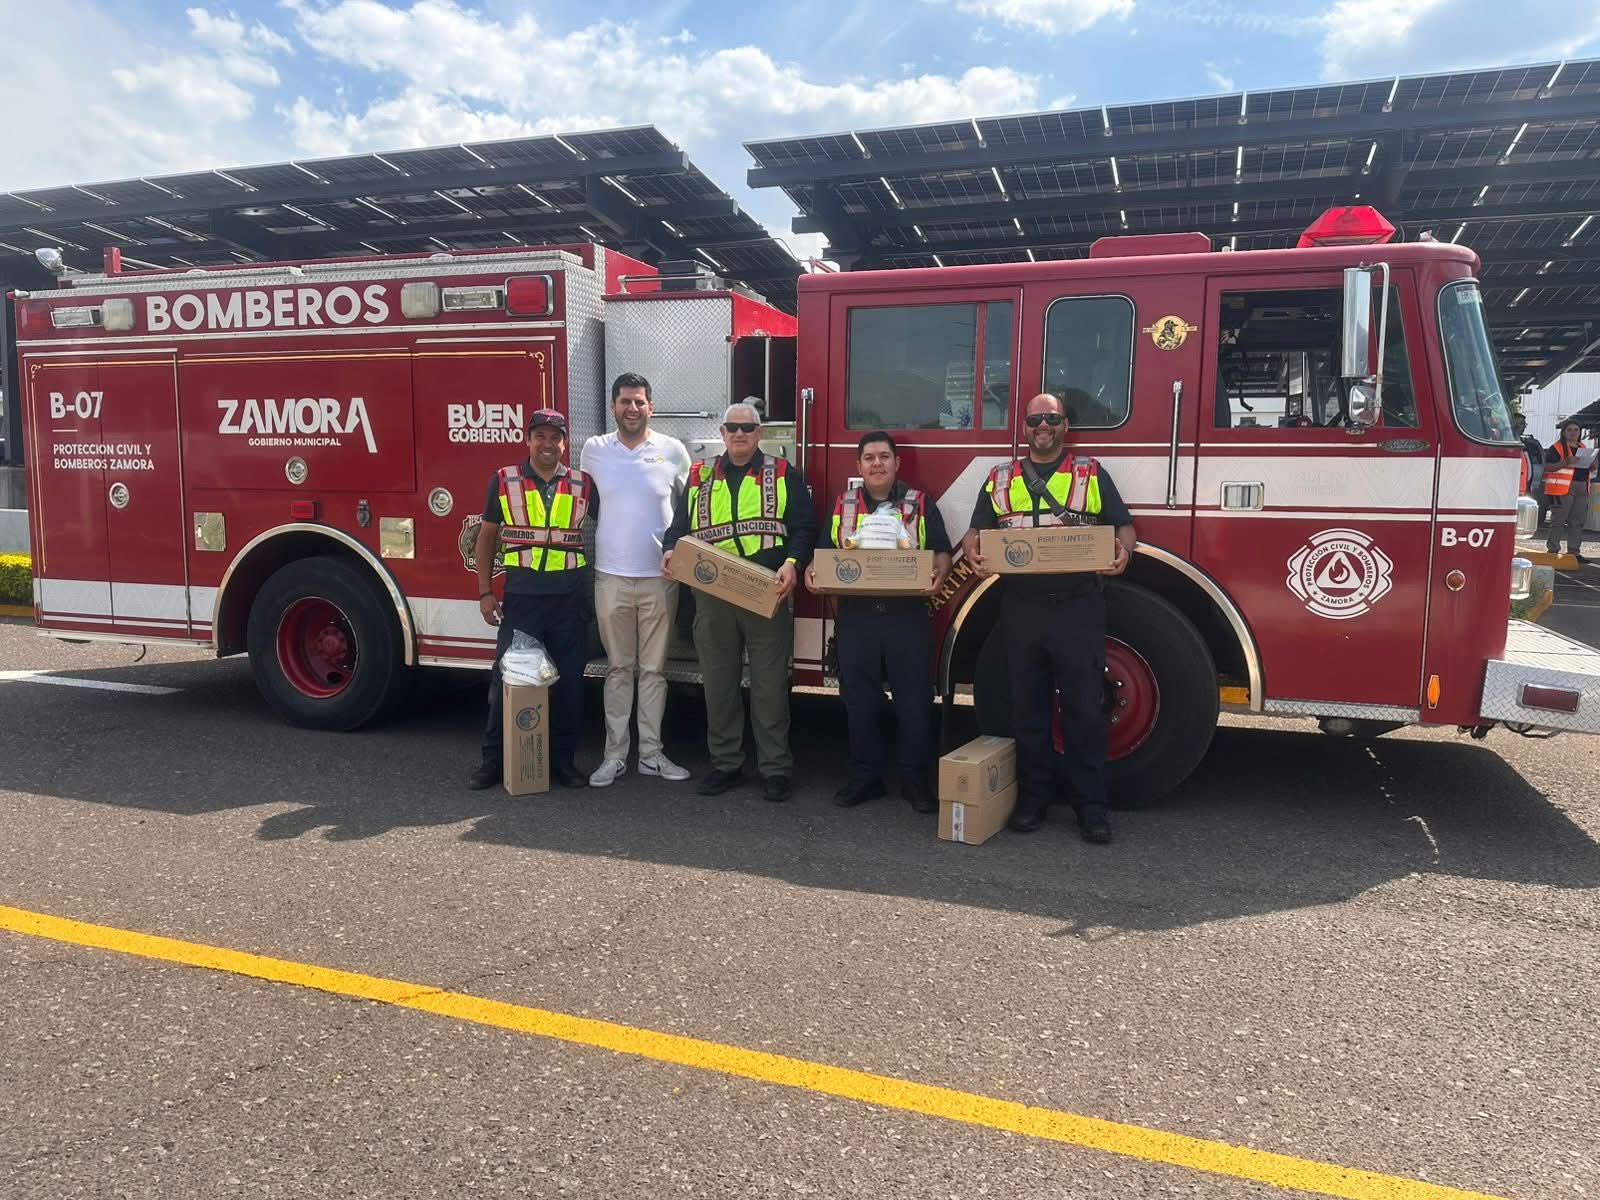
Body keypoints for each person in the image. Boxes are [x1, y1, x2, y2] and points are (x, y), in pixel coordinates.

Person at [959, 392, 1136, 845]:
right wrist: (975, 551)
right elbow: (976, 532)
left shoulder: (1090, 473)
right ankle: (1034, 799)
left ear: (1065, 426)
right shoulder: (999, 478)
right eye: (1036, 418)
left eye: (1052, 419)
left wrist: (1123, 551)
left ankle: (1090, 806)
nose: (1044, 426)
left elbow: (1122, 525)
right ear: (1024, 427)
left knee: (1083, 709)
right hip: (1021, 608)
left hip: (1078, 606)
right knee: (1029, 710)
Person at [662, 400, 816, 802]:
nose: (739, 434)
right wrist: (668, 551)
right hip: (712, 596)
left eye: (747, 428)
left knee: (769, 687)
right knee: (719, 684)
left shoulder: (783, 473)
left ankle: (776, 769)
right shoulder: (698, 476)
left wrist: (793, 563)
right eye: (732, 428)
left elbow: (804, 527)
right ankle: (725, 764)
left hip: (767, 590)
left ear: (759, 433)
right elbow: (679, 527)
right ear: (722, 433)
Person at [806, 431, 953, 813]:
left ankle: (915, 782)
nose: (876, 464)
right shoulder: (844, 505)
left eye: (884, 457)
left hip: (907, 618)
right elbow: (822, 555)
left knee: (914, 704)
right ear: (859, 466)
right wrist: (812, 573)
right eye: (869, 458)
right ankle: (864, 778)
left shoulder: (920, 503)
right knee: (860, 702)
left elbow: (941, 554)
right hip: (858, 618)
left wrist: (938, 574)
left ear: (896, 463)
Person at [468, 408, 597, 791]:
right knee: (509, 680)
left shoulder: (583, 483)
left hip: (570, 601)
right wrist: (485, 591)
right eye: (540, 436)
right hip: (523, 599)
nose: (547, 444)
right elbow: (487, 536)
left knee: (570, 687)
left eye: (554, 437)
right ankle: (492, 762)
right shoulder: (504, 480)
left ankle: (563, 763)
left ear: (564, 444)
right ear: (528, 440)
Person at [580, 373, 694, 787]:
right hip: (610, 576)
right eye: (625, 401)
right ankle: (614, 756)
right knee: (618, 670)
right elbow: (587, 503)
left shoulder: (673, 451)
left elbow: (686, 510)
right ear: (613, 407)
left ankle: (651, 754)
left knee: (654, 671)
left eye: (639, 402)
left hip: (660, 579)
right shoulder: (593, 451)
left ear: (651, 406)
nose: (632, 408)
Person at [1544, 418, 1595, 559]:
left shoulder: (1584, 448)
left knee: (1577, 521)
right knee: (1558, 521)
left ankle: (1574, 552)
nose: (1573, 433)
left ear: (1580, 432)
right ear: (1564, 432)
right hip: (1561, 489)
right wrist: (1564, 462)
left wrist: (1592, 465)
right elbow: (1547, 467)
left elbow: (1588, 469)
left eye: (1576, 430)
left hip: (1581, 487)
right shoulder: (1557, 448)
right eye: (1570, 430)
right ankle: (1553, 550)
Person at [1513, 414, 1548, 523]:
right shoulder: (1505, 441)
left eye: (1523, 424)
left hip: (1526, 487)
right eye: (1517, 424)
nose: (1521, 427)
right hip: (1511, 488)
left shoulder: (1527, 444)